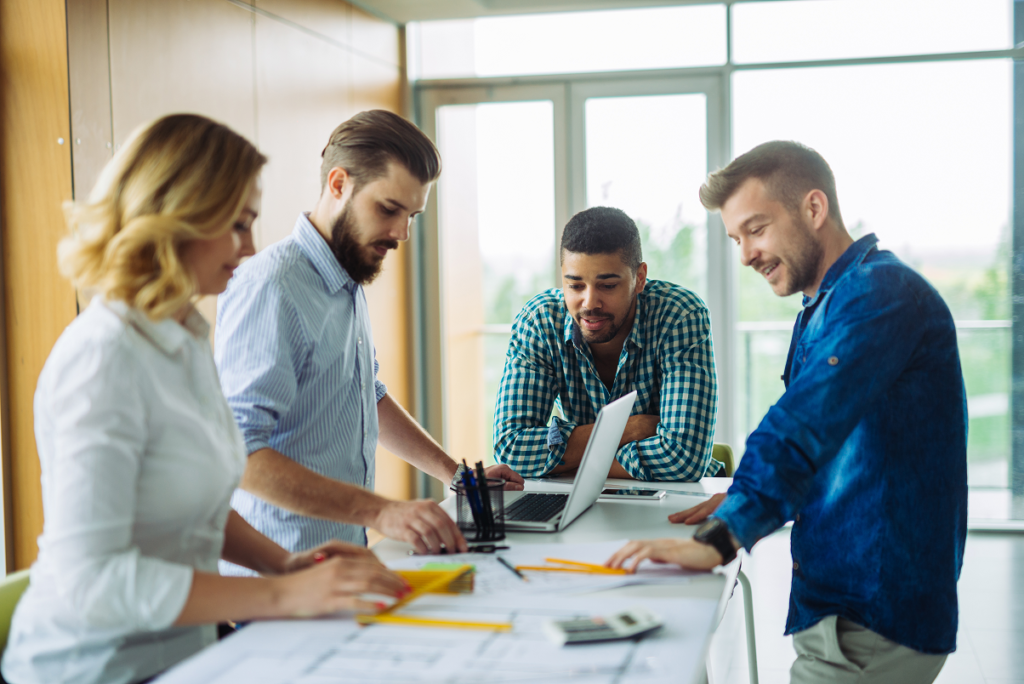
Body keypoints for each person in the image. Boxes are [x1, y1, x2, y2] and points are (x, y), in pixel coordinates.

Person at [1, 115, 407, 684]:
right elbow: (89, 582)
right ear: (177, 219)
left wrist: (283, 563)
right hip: (94, 668)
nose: (248, 245)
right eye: (237, 224)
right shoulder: (103, 359)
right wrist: (284, 594)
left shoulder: (183, 337)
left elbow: (195, 510)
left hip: (182, 657)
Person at [608, 141, 967, 684]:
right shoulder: (826, 304)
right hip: (843, 605)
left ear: (814, 209)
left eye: (756, 229)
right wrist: (742, 498)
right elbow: (838, 447)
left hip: (870, 615)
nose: (747, 254)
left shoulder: (880, 294)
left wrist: (723, 535)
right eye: (736, 239)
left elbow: (800, 426)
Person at [215, 109, 522, 564]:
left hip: (337, 567)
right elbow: (239, 452)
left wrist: (455, 474)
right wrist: (382, 512)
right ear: (338, 185)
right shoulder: (272, 287)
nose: (402, 233)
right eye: (389, 209)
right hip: (277, 582)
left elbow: (365, 395)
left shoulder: (346, 277)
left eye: (412, 215)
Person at [492, 206, 720, 481]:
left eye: (608, 285)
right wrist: (627, 428)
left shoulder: (679, 315)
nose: (589, 303)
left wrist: (568, 463)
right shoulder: (539, 321)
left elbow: (684, 459)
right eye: (575, 286)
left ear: (640, 278)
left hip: (679, 497)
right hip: (583, 499)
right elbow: (511, 450)